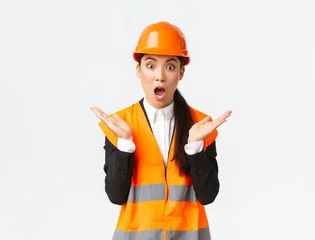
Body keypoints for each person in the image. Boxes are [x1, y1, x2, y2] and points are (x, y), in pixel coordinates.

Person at [90, 21, 232, 240]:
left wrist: (194, 147)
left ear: (181, 73)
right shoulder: (120, 125)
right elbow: (116, 196)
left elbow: (208, 195)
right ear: (138, 70)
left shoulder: (201, 125)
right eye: (150, 65)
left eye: (170, 66)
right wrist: (125, 144)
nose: (160, 76)